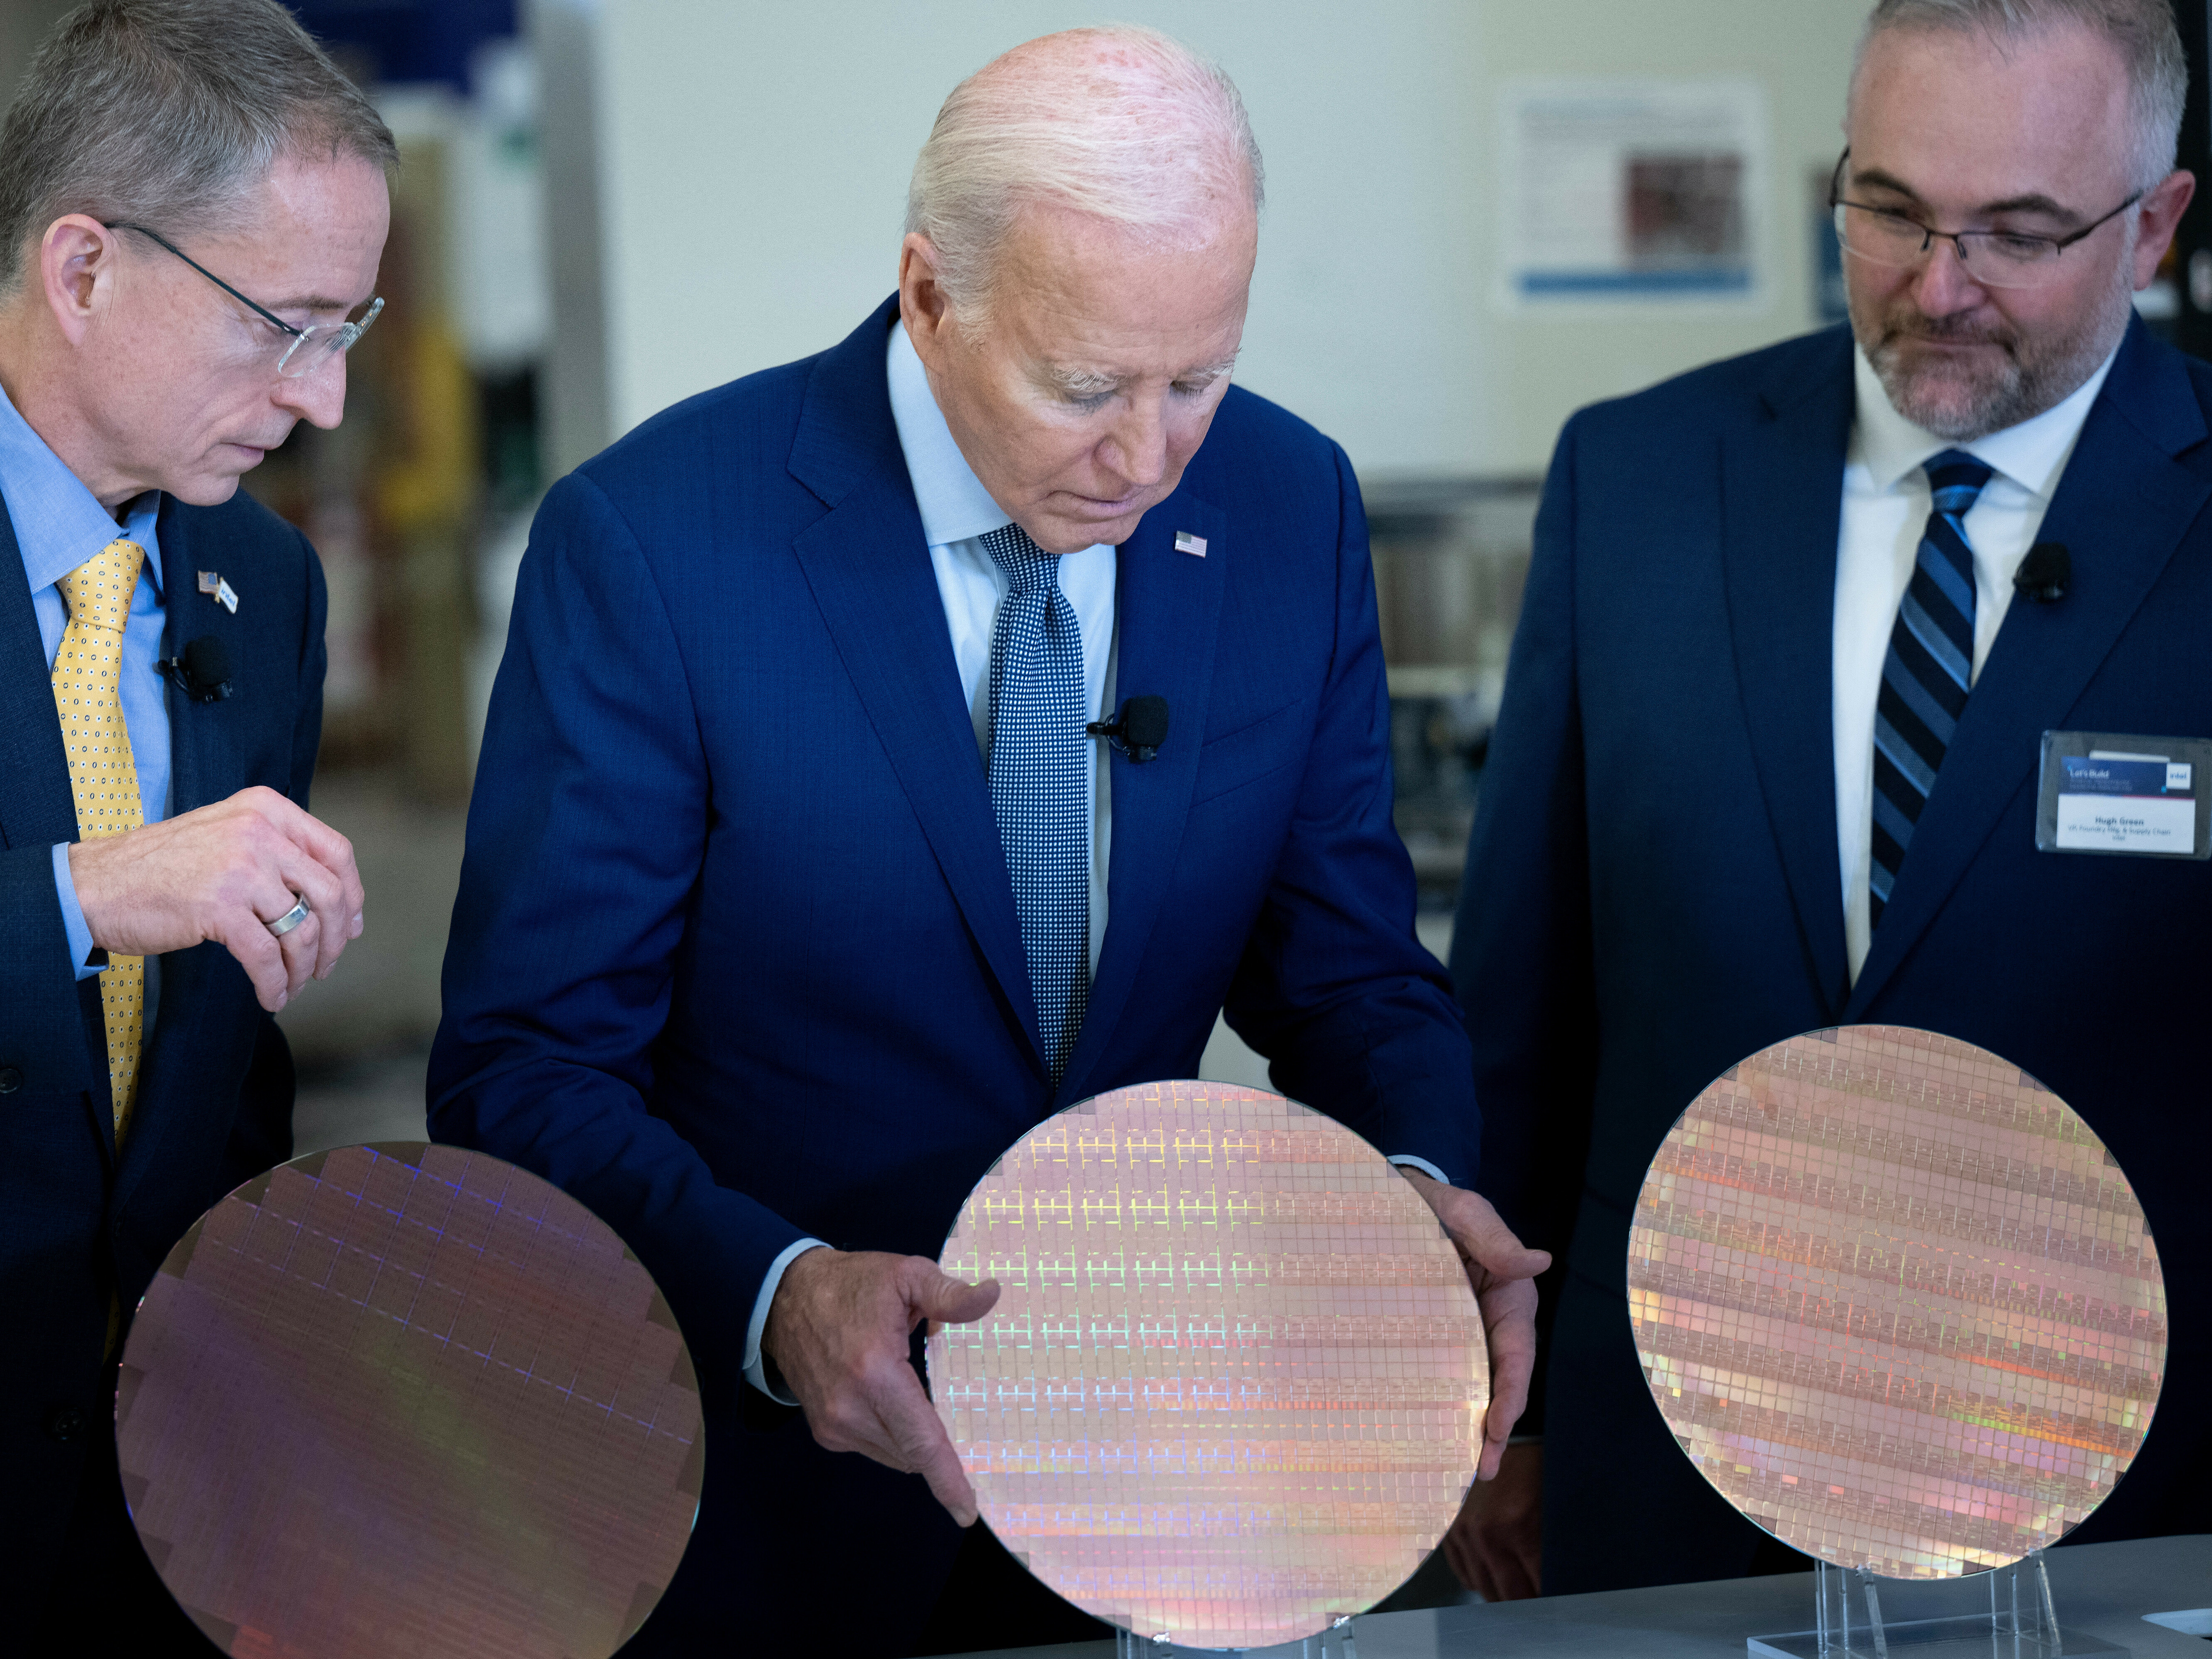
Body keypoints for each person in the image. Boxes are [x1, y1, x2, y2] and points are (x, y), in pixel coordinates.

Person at [433, 25, 1544, 1657]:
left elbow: (1353, 972)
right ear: (929, 291)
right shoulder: (658, 543)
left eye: (1202, 373)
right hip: (750, 1508)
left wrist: (1413, 1189)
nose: (1154, 453)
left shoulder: (1290, 503)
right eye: (1086, 385)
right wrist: (779, 1291)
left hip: (1152, 1485)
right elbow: (523, 1070)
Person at [1446, 0, 2210, 1603]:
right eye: (1889, 209)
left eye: (2017, 232)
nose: (1939, 287)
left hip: (2125, 1475)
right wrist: (1501, 1417)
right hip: (1668, 1447)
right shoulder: (1642, 477)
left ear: (2154, 228)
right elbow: (1523, 997)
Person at [0, 0, 388, 1646]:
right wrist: (77, 897)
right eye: (284, 326)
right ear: (82, 269)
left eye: (350, 328)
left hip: (158, 1492)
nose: (324, 403)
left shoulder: (266, 583)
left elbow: (234, 1053)